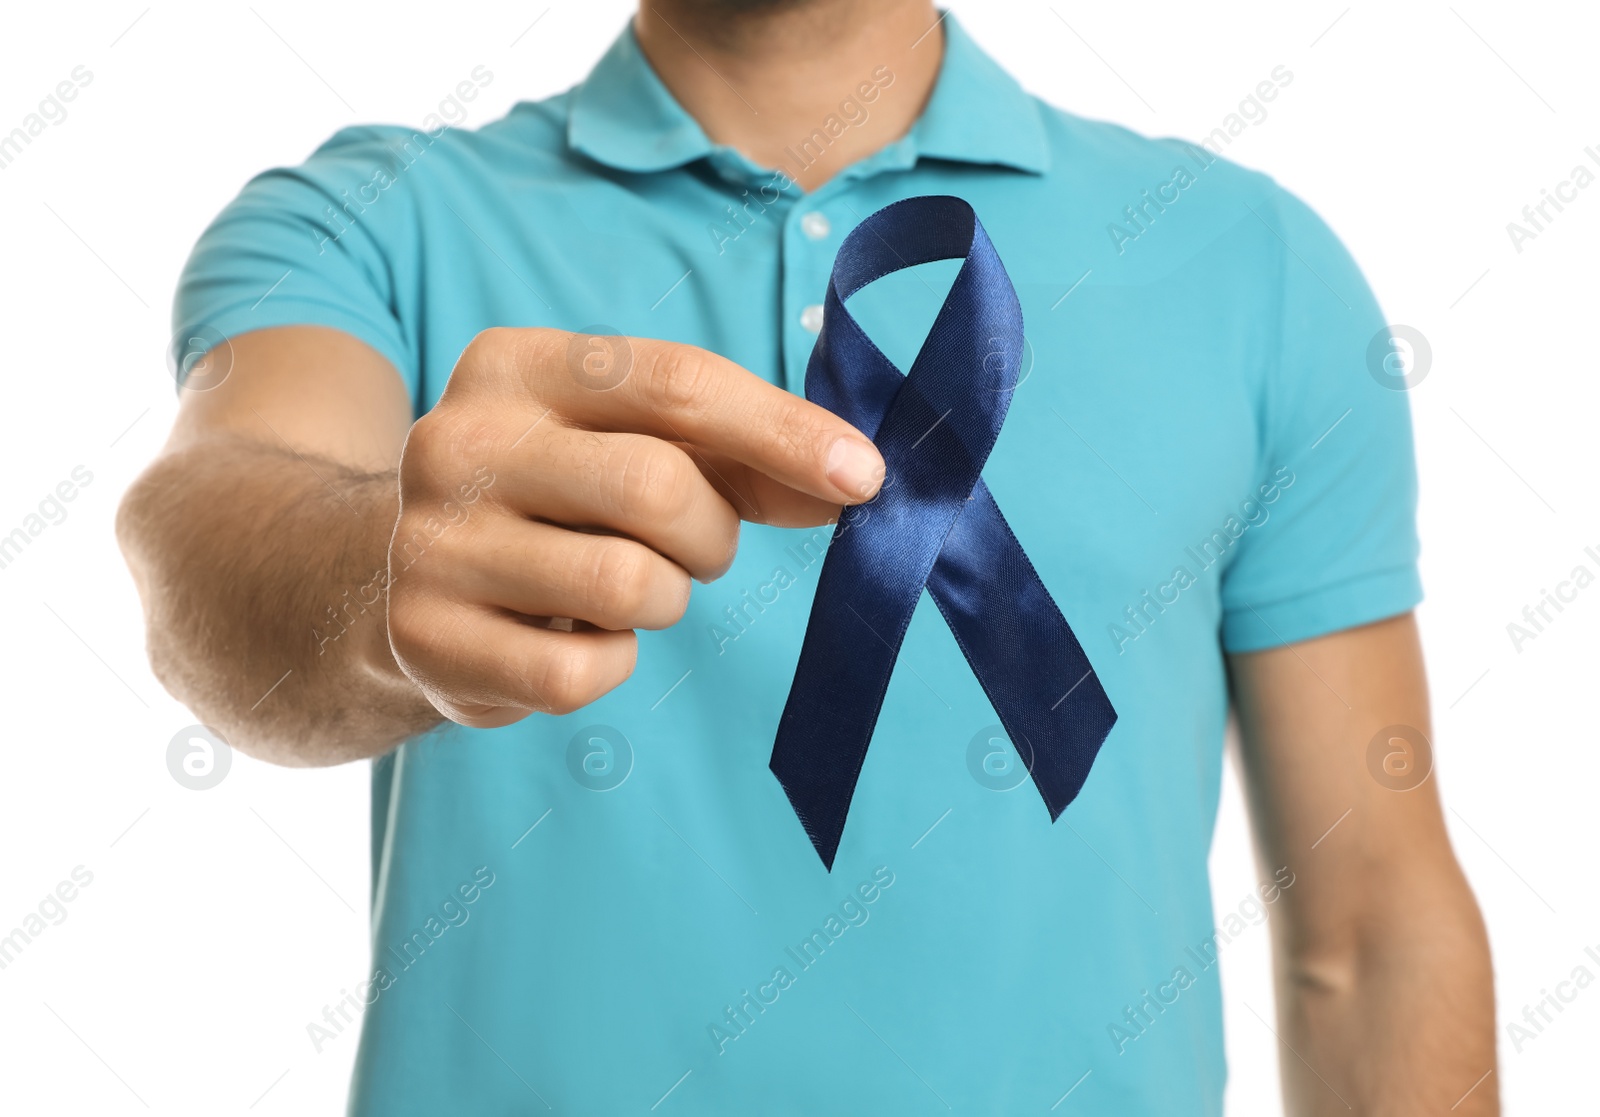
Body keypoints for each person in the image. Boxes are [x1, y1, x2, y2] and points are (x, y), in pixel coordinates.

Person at [117, 1, 1497, 1112]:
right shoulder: (367, 224)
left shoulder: (1251, 264)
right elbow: (216, 522)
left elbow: (1371, 932)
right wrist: (378, 575)